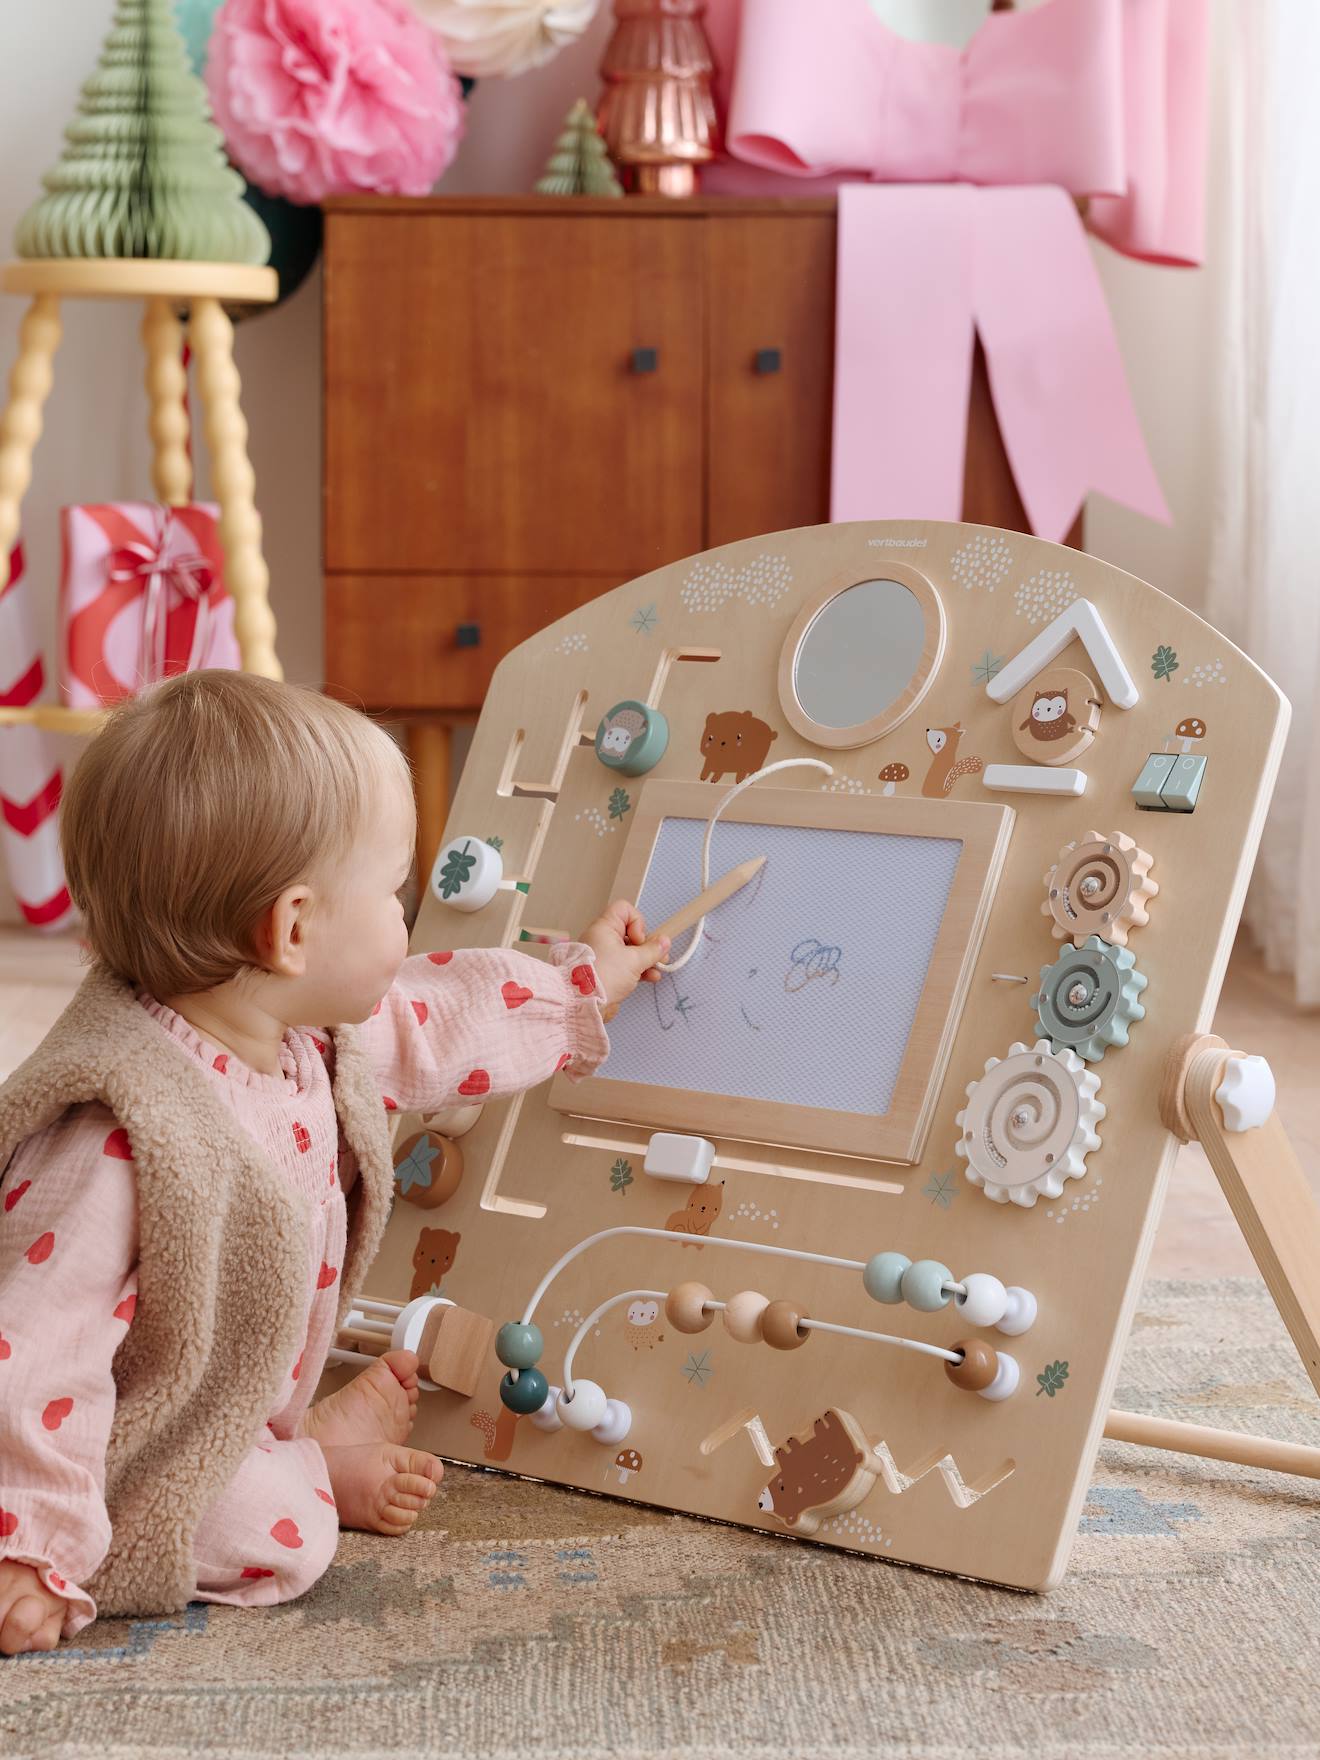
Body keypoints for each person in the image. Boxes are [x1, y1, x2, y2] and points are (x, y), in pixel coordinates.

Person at [0, 671, 668, 1655]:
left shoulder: (306, 1033)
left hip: (234, 1400)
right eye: (397, 893)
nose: (411, 926)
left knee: (258, 1474)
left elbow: (443, 1014)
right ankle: (318, 1464)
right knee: (285, 1537)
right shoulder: (126, 1130)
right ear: (295, 928)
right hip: (126, 1442)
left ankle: (298, 1434)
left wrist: (587, 986)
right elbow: (32, 1352)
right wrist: (29, 1543)